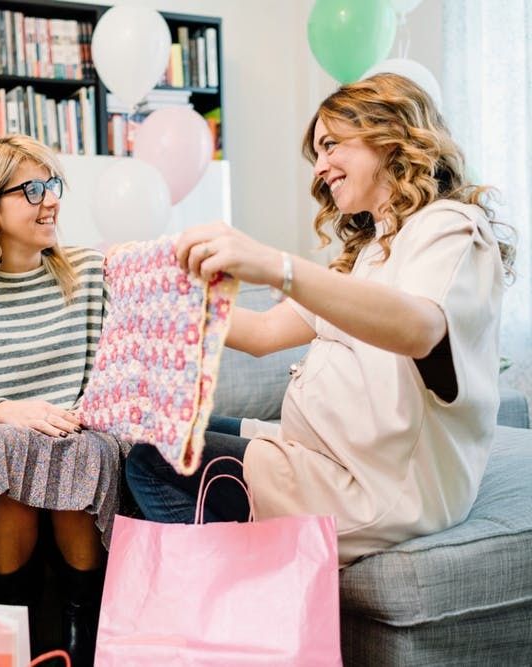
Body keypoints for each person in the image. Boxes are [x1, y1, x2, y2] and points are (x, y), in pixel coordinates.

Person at [125, 73, 514, 565]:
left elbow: (421, 328)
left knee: (152, 459)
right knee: (166, 424)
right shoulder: (373, 249)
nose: (321, 169)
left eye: (331, 146)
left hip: (382, 486)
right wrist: (164, 303)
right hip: (329, 456)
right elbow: (266, 333)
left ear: (388, 136)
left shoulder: (450, 228)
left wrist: (277, 266)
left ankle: (228, 600)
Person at [0, 135, 126, 665]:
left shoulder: (91, 274)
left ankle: (84, 627)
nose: (50, 199)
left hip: (78, 435)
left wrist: (79, 414)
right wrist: (1, 410)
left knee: (78, 448)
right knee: (8, 446)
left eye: (52, 184)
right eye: (32, 189)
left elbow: (114, 374)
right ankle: (17, 624)